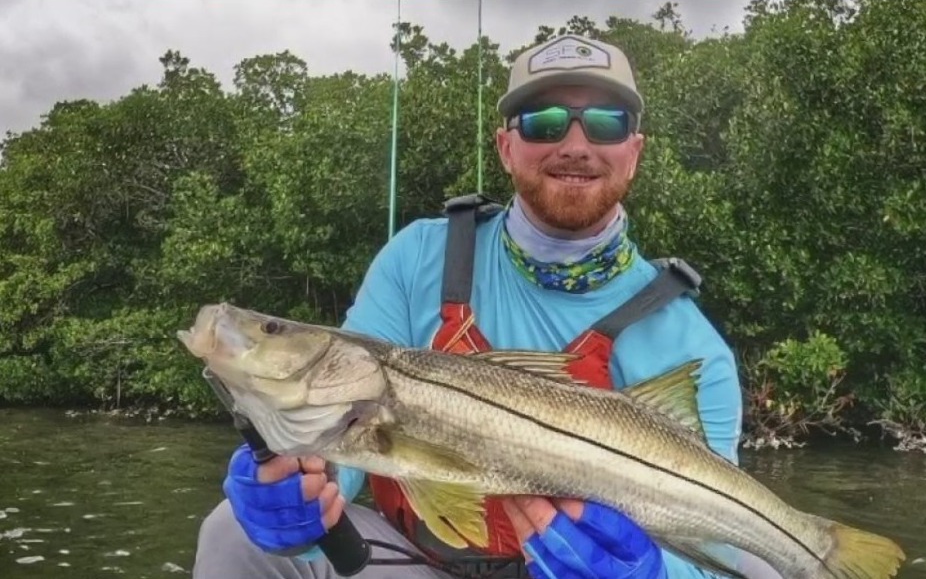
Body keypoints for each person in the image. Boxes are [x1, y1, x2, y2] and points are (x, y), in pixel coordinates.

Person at [192, 34, 748, 579]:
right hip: (411, 564)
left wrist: (648, 575)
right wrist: (304, 482)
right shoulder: (419, 256)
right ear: (507, 147)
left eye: (606, 123)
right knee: (233, 532)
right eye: (544, 122)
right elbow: (344, 443)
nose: (575, 145)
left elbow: (719, 551)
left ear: (634, 153)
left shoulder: (693, 346)